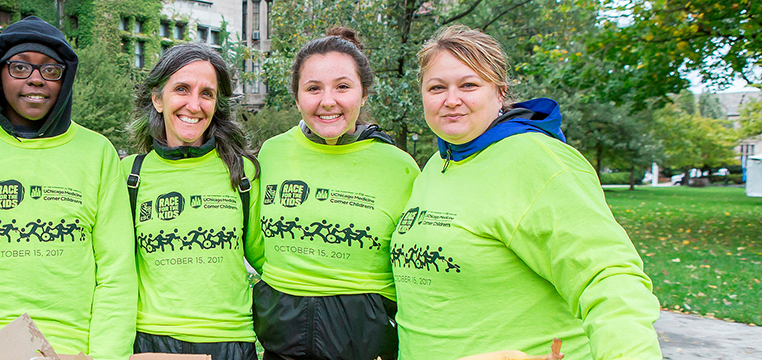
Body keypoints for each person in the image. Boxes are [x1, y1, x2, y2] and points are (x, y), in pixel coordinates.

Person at [389, 24, 662, 360]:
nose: (451, 100)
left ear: (500, 92)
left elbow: (608, 277)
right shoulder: (436, 164)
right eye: (436, 87)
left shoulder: (538, 159)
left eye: (469, 85)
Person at [0, 16, 136, 360]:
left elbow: (117, 270)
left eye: (50, 70)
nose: (36, 80)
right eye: (20, 67)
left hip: (70, 348)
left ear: (64, 79)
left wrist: (106, 356)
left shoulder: (97, 152)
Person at [249, 27, 418, 360]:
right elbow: (255, 241)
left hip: (365, 348)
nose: (328, 101)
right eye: (313, 88)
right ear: (297, 96)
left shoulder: (400, 167)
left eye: (342, 87)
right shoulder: (271, 153)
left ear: (363, 93)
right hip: (281, 346)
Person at [123, 42, 260, 360]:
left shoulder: (242, 172)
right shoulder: (129, 174)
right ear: (158, 99)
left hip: (231, 341)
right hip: (154, 341)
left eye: (207, 93)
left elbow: (270, 260)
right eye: (182, 89)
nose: (194, 105)